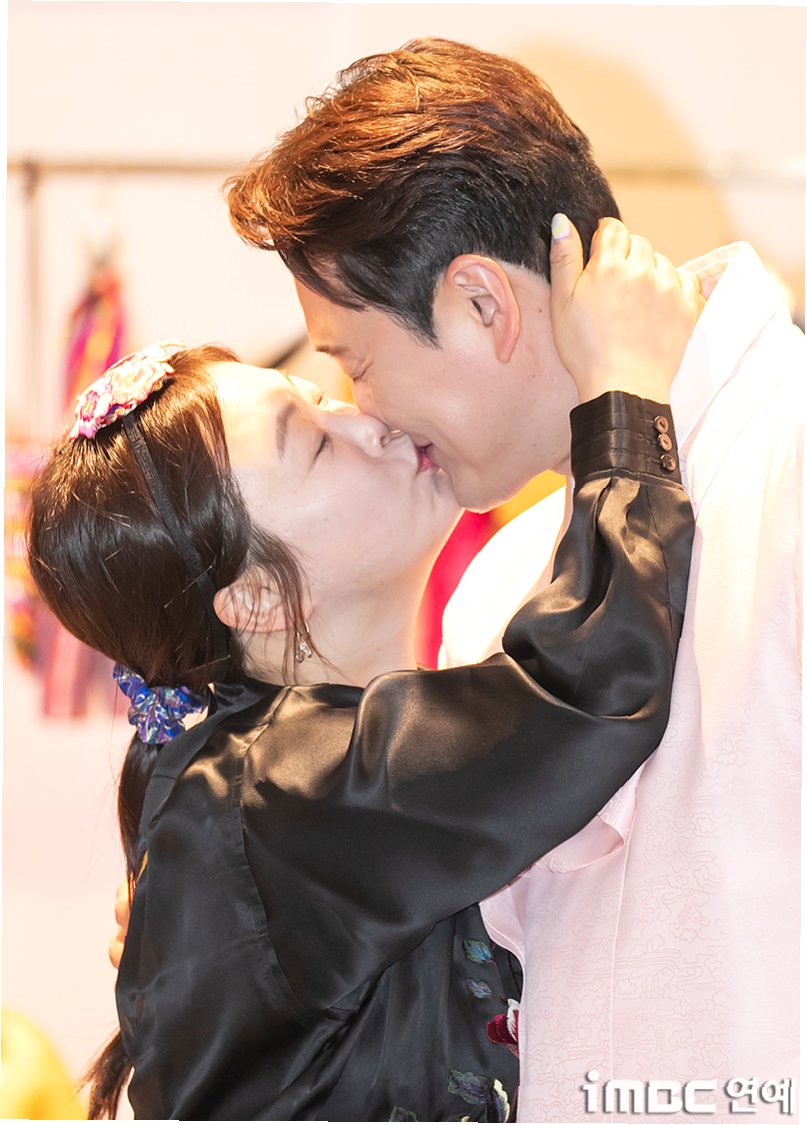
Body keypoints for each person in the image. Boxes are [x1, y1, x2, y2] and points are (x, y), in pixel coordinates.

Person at [224, 37, 803, 1121]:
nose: (364, 416)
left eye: (354, 362)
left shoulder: (790, 470)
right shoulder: (504, 583)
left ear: (482, 305)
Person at [28, 226, 696, 1120]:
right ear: (253, 596)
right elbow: (582, 690)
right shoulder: (279, 794)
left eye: (325, 394)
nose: (368, 419)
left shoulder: (268, 788)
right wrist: (627, 392)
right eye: (313, 442)